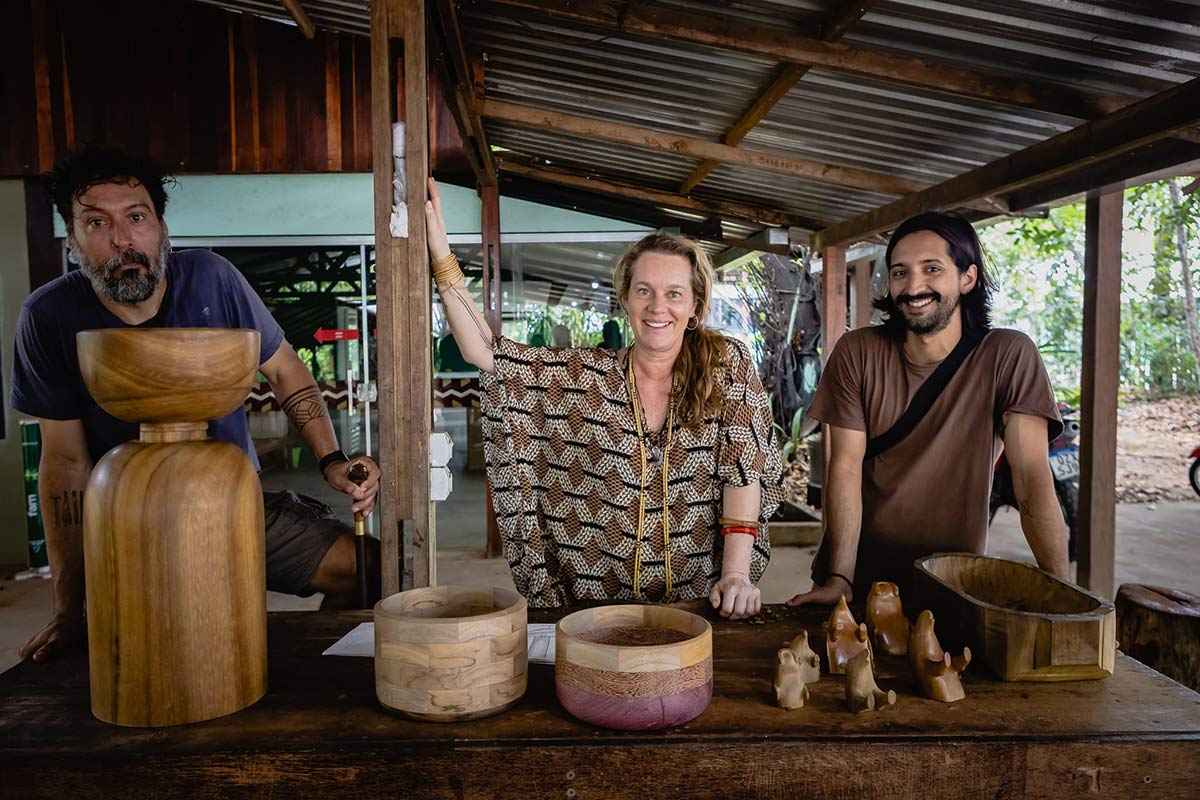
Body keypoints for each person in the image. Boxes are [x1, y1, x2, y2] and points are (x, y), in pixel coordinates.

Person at [11, 148, 382, 663]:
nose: (122, 239)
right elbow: (66, 461)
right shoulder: (47, 316)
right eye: (97, 222)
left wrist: (331, 460)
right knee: (160, 648)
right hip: (127, 519)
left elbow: (285, 371)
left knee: (368, 567)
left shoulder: (213, 278)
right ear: (72, 241)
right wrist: (70, 611)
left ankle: (304, 680)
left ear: (161, 229)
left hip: (234, 504)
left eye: (136, 218)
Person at [425, 179, 783, 619]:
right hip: (599, 612)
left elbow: (743, 470)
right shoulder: (584, 378)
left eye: (674, 294)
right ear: (626, 300)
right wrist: (442, 256)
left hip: (702, 604)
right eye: (644, 291)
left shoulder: (726, 366)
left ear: (695, 306)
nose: (658, 307)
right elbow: (486, 353)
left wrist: (735, 576)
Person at [789, 211, 1069, 607]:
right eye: (900, 272)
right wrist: (840, 577)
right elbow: (845, 466)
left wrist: (1065, 594)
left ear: (967, 278)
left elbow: (1032, 479)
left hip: (955, 582)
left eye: (932, 269)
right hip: (861, 579)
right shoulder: (857, 352)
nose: (913, 285)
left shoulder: (1008, 355)